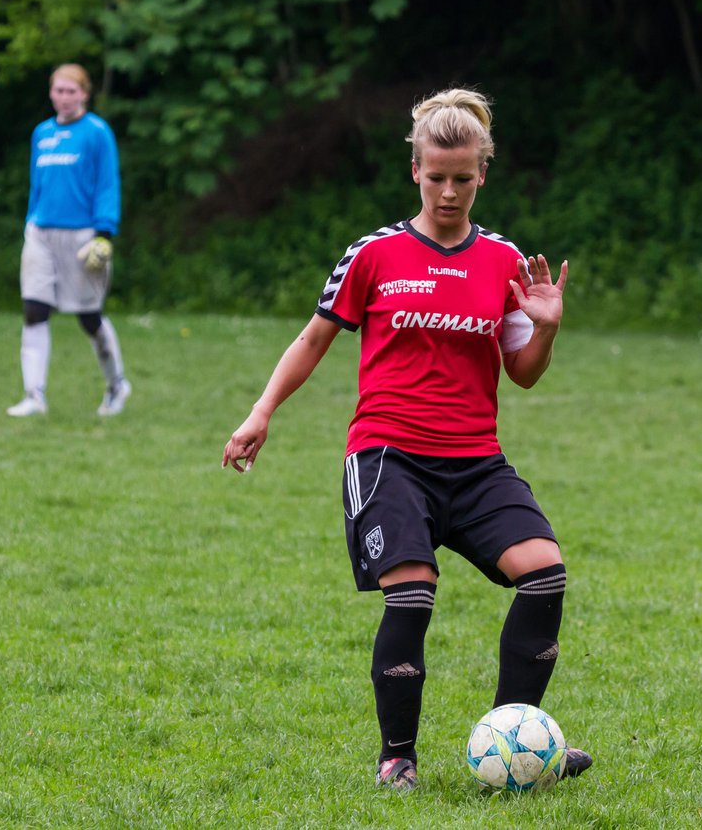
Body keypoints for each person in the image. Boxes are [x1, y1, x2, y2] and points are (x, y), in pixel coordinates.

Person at [221, 88, 592, 790]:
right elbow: (313, 337)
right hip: (389, 458)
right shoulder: (375, 254)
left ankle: (517, 743)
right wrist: (262, 410)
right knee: (413, 594)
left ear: (483, 173)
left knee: (545, 573)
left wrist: (545, 328)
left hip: (476, 462)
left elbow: (524, 375)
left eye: (462, 177)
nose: (448, 192)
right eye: (435, 176)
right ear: (415, 173)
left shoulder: (506, 262)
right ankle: (399, 757)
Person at [7, 63, 131, 417]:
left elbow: (108, 183)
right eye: (58, 91)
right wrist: (31, 221)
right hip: (41, 233)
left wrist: (104, 232)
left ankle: (116, 384)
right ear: (50, 93)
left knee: (88, 317)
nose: (63, 98)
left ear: (84, 94)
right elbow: (38, 185)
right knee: (34, 309)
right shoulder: (41, 133)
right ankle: (34, 395)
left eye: (70, 91)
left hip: (83, 236)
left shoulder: (96, 132)